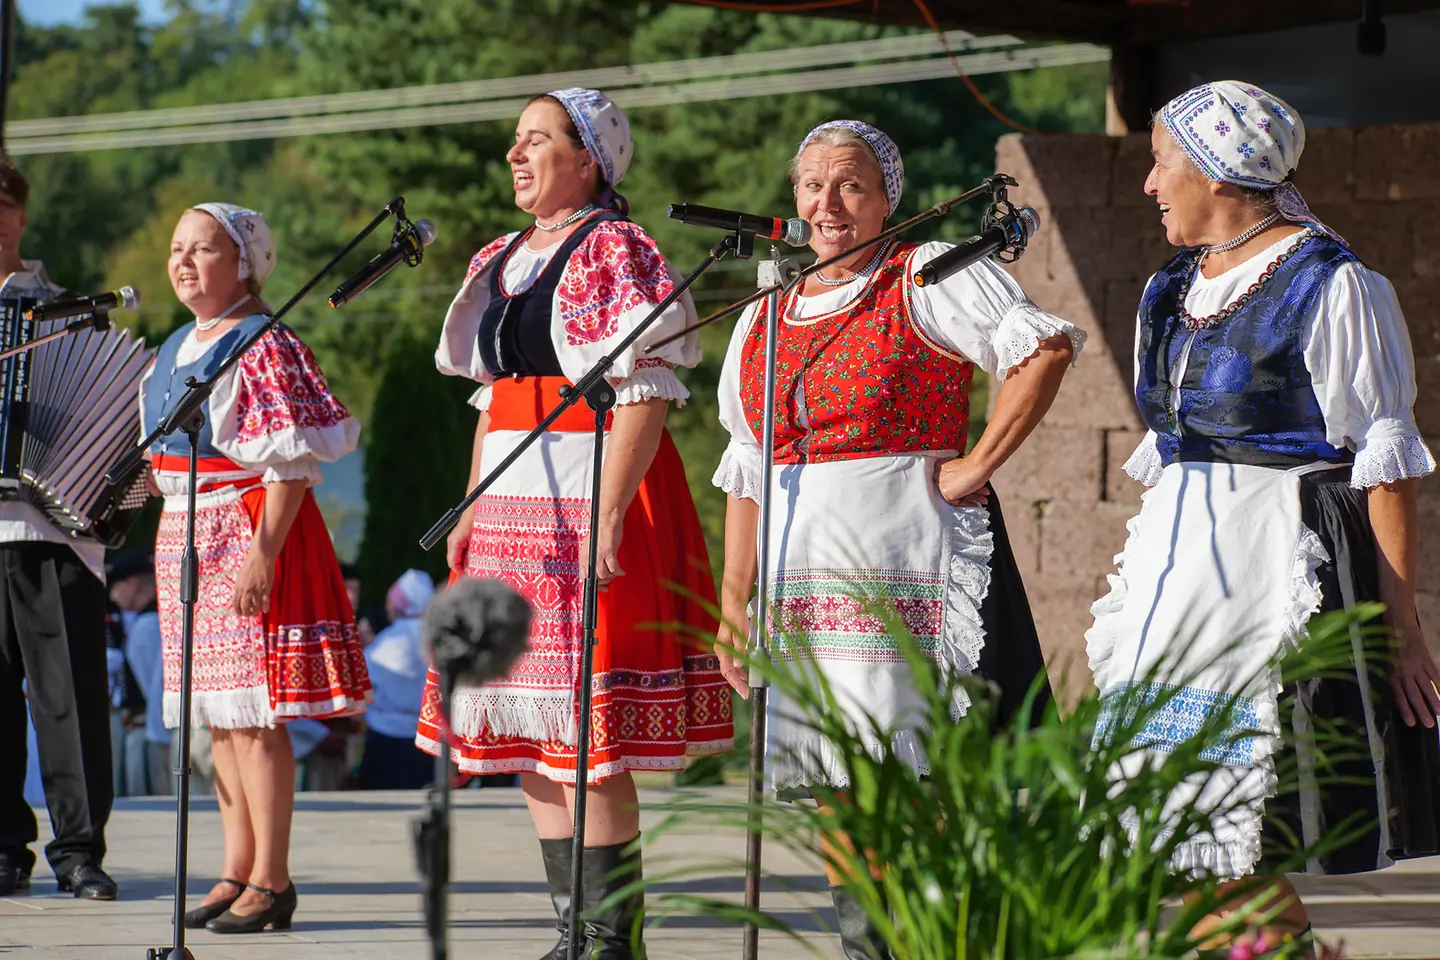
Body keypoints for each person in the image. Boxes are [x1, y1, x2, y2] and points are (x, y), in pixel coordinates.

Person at [711, 120, 1083, 959]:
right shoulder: (766, 312)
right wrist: (735, 605)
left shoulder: (926, 276)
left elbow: (1045, 349)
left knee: (921, 776)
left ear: (886, 201)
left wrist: (976, 463)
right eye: (812, 184)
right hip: (803, 577)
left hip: (905, 558)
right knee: (837, 781)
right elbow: (746, 467)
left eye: (850, 185)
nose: (827, 202)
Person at [1087, 80, 1440, 953]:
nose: (1149, 183)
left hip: (1272, 562)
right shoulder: (1168, 289)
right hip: (1181, 567)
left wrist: (1399, 624)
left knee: (1228, 829)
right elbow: (1170, 448)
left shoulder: (1334, 284)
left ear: (1218, 171)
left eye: (1163, 162)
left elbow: (1385, 464)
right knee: (1173, 833)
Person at [421, 87, 733, 958]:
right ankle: (573, 928)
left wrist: (608, 513)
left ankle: (610, 937)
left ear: (589, 159)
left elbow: (646, 387)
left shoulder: (616, 248)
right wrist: (472, 503)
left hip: (584, 483)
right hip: (516, 492)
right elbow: (493, 398)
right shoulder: (504, 254)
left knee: (589, 732)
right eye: (515, 140)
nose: (517, 154)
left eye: (538, 140)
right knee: (531, 721)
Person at [142, 201, 371, 933]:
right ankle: (235, 867)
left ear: (244, 262)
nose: (184, 262)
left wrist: (260, 557)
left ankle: (271, 877)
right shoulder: (176, 343)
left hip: (244, 530)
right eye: (178, 249)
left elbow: (291, 466)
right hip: (187, 534)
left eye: (203, 250)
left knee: (257, 714)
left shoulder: (262, 342)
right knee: (219, 720)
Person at [0, 155, 118, 900]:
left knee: (70, 696)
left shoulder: (69, 308)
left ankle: (79, 850)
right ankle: (5, 849)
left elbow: (109, 410)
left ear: (20, 214)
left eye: (1, 204)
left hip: (53, 529)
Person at [359, 569, 436, 790]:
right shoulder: (436, 636)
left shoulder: (392, 638)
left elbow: (366, 678)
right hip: (426, 736)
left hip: (386, 737)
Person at [110, 549, 169, 797]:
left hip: (151, 732)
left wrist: (160, 738)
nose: (112, 595)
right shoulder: (148, 622)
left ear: (133, 584)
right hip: (145, 730)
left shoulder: (150, 625)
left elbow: (156, 691)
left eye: (116, 585)